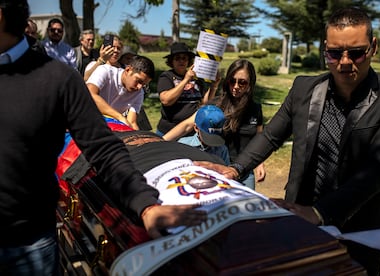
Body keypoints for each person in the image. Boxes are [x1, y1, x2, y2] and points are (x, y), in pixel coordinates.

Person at [195, 8, 380, 275]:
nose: (345, 62)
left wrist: (320, 212)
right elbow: (272, 135)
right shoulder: (303, 89)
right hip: (302, 216)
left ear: (373, 47)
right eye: (334, 53)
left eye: (356, 52)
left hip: (363, 227)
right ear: (325, 49)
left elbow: (378, 170)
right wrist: (236, 168)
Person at [0, 1, 206, 275]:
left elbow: (103, 148)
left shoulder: (56, 78)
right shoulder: (98, 73)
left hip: (27, 242)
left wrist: (145, 204)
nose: (140, 85)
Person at [164, 59, 266, 190]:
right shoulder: (216, 105)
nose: (236, 86)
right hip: (218, 169)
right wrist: (159, 142)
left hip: (244, 170)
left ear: (250, 84)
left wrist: (260, 164)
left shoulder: (255, 109)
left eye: (242, 82)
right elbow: (187, 125)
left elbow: (259, 138)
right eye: (232, 81)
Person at [156, 42, 220, 136]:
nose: (181, 61)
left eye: (184, 58)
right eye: (177, 58)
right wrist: (186, 80)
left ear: (188, 61)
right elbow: (166, 100)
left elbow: (204, 103)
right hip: (169, 130)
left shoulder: (197, 78)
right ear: (171, 61)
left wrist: (214, 86)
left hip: (191, 130)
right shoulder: (167, 77)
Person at [86, 55, 154, 130]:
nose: (139, 87)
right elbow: (90, 94)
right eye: (139, 81)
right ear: (128, 70)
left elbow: (131, 122)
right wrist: (119, 117)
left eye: (144, 84)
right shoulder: (105, 71)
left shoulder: (139, 93)